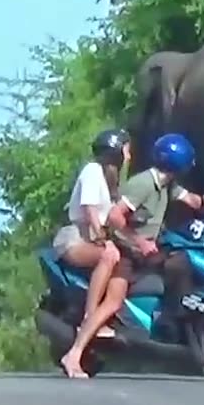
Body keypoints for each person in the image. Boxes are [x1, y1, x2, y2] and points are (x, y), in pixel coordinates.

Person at [59, 133, 204, 377]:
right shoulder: (143, 183)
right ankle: (75, 352)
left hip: (140, 251)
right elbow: (115, 217)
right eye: (126, 149)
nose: (129, 154)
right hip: (124, 251)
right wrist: (138, 242)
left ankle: (174, 318)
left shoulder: (166, 184)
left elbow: (194, 201)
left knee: (181, 260)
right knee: (112, 301)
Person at [50, 128, 130, 362]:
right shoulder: (92, 171)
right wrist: (104, 241)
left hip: (94, 236)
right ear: (115, 150)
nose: (129, 156)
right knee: (109, 256)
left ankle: (109, 320)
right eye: (126, 149)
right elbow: (90, 210)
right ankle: (90, 315)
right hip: (75, 237)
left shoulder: (111, 179)